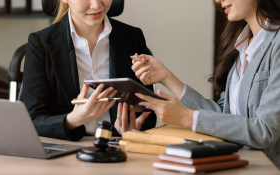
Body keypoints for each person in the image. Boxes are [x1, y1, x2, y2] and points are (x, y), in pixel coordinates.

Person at [118, 0, 280, 169]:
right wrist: (166, 77)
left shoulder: (276, 44)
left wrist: (187, 117)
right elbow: (225, 116)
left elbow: (266, 131)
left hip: (264, 168)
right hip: (232, 164)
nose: (218, 0)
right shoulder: (241, 42)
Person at [23, 0, 156, 141]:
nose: (96, 5)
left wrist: (132, 129)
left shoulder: (133, 37)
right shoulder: (40, 43)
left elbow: (148, 111)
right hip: (66, 148)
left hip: (117, 147)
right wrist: (73, 119)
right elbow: (32, 121)